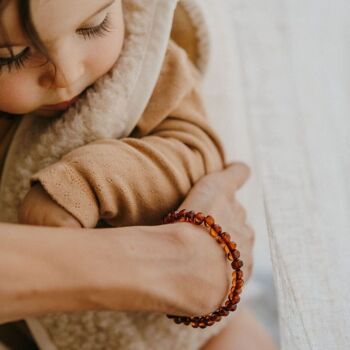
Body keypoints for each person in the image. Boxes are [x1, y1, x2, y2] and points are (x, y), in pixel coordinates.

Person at [0, 0, 278, 349]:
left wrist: (86, 182)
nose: (66, 75)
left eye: (94, 26)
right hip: (24, 332)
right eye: (10, 57)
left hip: (156, 328)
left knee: (241, 340)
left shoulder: (146, 66)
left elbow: (196, 155)